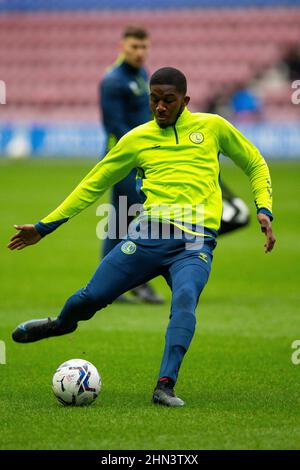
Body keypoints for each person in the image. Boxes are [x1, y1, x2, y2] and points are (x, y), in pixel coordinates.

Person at [8, 67, 275, 407]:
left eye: (168, 101)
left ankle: (165, 385)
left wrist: (264, 209)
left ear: (185, 101)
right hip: (147, 237)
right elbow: (93, 183)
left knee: (185, 300)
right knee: (90, 298)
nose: (160, 107)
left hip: (195, 243)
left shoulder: (213, 128)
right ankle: (61, 323)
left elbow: (255, 163)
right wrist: (45, 227)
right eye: (154, 100)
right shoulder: (136, 139)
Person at [99, 26, 163, 304]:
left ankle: (112, 285)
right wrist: (142, 152)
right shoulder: (112, 81)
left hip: (139, 158)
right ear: (123, 46)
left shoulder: (142, 74)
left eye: (144, 47)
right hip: (125, 160)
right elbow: (114, 125)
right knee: (141, 220)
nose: (140, 52)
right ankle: (133, 283)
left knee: (122, 222)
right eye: (134, 47)